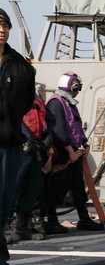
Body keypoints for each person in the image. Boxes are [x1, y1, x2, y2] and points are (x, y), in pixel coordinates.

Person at [42, 72, 105, 233]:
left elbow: (75, 125)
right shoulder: (56, 103)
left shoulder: (68, 102)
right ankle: (51, 221)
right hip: (63, 154)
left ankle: (84, 218)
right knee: (57, 188)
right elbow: (59, 130)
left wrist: (84, 144)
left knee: (78, 188)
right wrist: (70, 152)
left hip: (74, 153)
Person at [1, 7, 36, 265]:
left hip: (6, 143)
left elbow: (25, 103)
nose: (1, 30)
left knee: (3, 203)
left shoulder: (20, 66)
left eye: (5, 26)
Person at [12, 84, 52, 242]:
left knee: (31, 189)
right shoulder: (12, 93)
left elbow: (47, 119)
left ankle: (22, 226)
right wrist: (28, 138)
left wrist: (48, 138)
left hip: (36, 149)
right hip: (21, 148)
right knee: (13, 187)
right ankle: (6, 227)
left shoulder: (36, 96)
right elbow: (13, 117)